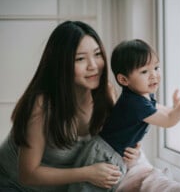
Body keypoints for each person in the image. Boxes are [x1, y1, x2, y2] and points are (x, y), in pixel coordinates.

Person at [0, 20, 141, 192]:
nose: (93, 66)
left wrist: (130, 153)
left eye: (97, 54)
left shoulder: (105, 93)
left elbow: (111, 142)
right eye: (80, 59)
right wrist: (86, 173)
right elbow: (28, 174)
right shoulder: (41, 105)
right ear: (61, 63)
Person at [69, 39, 180, 191]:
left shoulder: (142, 95)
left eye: (156, 68)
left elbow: (165, 113)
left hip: (113, 154)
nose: (154, 75)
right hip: (104, 156)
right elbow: (169, 120)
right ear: (124, 79)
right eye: (144, 71)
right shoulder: (134, 103)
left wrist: (176, 106)